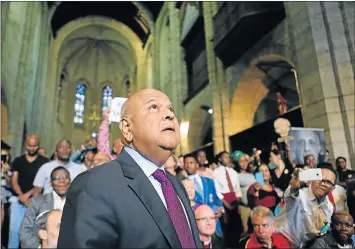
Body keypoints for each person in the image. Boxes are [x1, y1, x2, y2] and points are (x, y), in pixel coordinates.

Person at [58, 89, 202, 248]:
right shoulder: (95, 184)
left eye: (171, 109)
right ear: (127, 128)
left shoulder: (176, 185)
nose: (170, 115)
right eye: (154, 107)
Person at [275, 162, 338, 248]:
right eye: (319, 179)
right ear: (312, 179)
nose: (322, 183)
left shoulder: (329, 208)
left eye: (328, 182)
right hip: (280, 242)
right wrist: (294, 186)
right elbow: (290, 195)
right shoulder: (300, 195)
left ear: (333, 188)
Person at [20, 167, 70, 248]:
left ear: (70, 181)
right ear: (50, 183)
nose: (62, 181)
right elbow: (25, 232)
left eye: (65, 177)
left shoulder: (77, 202)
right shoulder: (37, 202)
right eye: (57, 178)